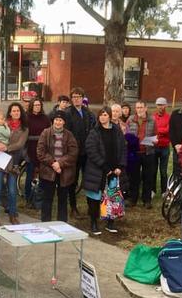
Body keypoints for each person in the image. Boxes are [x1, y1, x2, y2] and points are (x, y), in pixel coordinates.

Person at [83, 107, 126, 235]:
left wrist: (120, 166)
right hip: (98, 171)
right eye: (101, 115)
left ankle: (110, 222)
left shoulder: (116, 130)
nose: (103, 117)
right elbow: (91, 150)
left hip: (114, 170)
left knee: (112, 197)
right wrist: (104, 167)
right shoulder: (94, 132)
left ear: (110, 116)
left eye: (105, 115)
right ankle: (94, 222)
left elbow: (123, 148)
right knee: (95, 198)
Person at [0, 103, 28, 225]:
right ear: (10, 113)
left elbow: (20, 144)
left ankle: (12, 214)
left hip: (13, 161)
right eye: (13, 111)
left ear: (20, 112)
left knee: (12, 190)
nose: (16, 113)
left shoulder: (24, 128)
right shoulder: (2, 123)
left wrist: (6, 147)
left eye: (18, 110)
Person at [37, 111, 78, 222]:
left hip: (64, 173)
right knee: (47, 199)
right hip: (48, 172)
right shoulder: (45, 133)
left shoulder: (69, 135)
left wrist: (60, 164)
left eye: (60, 120)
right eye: (56, 120)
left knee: (63, 200)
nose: (58, 122)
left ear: (64, 122)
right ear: (53, 121)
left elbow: (73, 153)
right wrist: (53, 163)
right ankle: (45, 223)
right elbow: (41, 152)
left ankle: (62, 224)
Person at [66, 87, 94, 218]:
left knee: (88, 179)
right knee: (73, 180)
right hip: (74, 153)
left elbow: (94, 130)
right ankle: (73, 207)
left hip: (87, 152)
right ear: (71, 99)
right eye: (74, 97)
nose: (77, 99)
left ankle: (91, 207)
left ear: (83, 98)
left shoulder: (88, 112)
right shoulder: (67, 113)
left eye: (79, 96)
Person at [126, 101, 157, 209]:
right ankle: (133, 199)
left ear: (146, 108)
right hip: (134, 153)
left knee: (148, 177)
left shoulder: (152, 120)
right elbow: (127, 134)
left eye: (141, 107)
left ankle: (146, 200)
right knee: (134, 177)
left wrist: (155, 141)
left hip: (148, 152)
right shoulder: (130, 119)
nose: (139, 109)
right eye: (137, 107)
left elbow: (155, 135)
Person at [25, 98, 51, 202]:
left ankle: (40, 196)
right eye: (35, 105)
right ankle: (28, 197)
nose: (37, 107)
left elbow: (49, 131)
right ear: (31, 106)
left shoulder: (45, 118)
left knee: (43, 175)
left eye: (39, 105)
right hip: (30, 149)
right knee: (30, 175)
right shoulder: (26, 118)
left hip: (43, 149)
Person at [152, 97, 171, 195]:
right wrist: (161, 130)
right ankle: (153, 190)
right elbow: (152, 129)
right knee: (153, 170)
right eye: (158, 105)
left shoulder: (169, 117)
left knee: (163, 171)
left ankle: (164, 190)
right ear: (156, 105)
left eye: (162, 105)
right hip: (154, 146)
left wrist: (158, 130)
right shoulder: (152, 117)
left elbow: (168, 130)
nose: (160, 107)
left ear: (165, 106)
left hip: (165, 147)